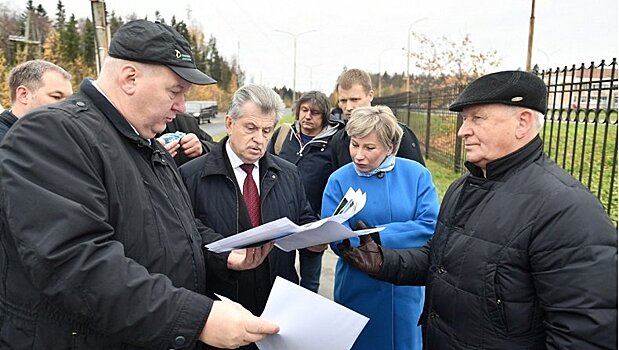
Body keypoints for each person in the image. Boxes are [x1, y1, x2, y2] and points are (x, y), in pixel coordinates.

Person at [0, 20, 279, 350]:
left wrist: (224, 256)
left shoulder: (148, 145)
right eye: (175, 92)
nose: (180, 108)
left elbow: (179, 230)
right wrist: (198, 319)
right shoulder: (53, 134)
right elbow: (78, 264)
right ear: (130, 78)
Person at [336, 71, 618, 349]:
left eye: (477, 118)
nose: (462, 131)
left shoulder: (567, 210)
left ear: (523, 122)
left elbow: (585, 334)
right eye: (463, 119)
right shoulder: (463, 189)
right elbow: (441, 261)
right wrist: (384, 262)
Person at [179, 84, 318, 349]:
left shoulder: (288, 174)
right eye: (251, 128)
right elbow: (184, 234)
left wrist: (318, 237)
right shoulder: (191, 175)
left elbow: (304, 218)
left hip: (277, 309)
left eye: (267, 131)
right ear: (229, 123)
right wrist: (225, 258)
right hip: (220, 313)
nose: (259, 139)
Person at [321, 105, 439, 350]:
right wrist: (355, 243)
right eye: (354, 144)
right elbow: (335, 234)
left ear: (391, 148)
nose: (358, 155)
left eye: (369, 147)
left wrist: (375, 237)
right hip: (358, 285)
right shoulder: (339, 180)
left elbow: (429, 225)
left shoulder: (416, 175)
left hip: (406, 289)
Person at [267, 90, 344, 293]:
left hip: (314, 223)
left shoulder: (334, 143)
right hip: (280, 220)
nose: (308, 116)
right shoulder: (283, 135)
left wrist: (326, 224)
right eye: (304, 110)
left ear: (325, 116)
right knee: (279, 275)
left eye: (315, 112)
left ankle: (308, 319)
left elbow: (339, 185)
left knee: (310, 281)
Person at [330, 68, 425, 169]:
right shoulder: (338, 141)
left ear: (370, 95)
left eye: (355, 99)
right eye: (343, 101)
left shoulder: (397, 134)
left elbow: (417, 178)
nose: (348, 107)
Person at [0, 59, 73, 141]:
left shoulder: (57, 138)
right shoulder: (6, 144)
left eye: (70, 99)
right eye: (56, 97)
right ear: (24, 95)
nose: (68, 106)